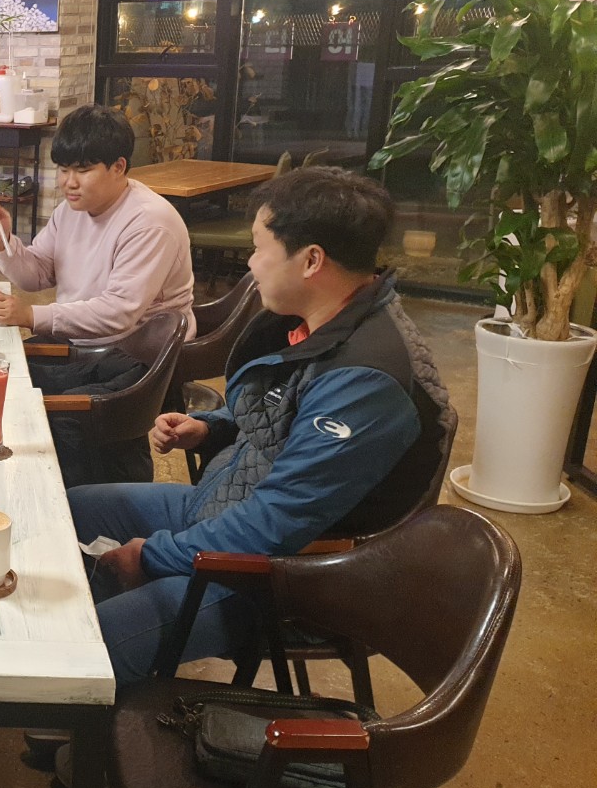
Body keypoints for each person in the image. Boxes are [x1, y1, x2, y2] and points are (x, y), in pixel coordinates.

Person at [66, 167, 453, 686]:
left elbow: (274, 525)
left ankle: (83, 707)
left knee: (87, 649)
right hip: (227, 504)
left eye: (258, 247)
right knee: (66, 508)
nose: (250, 263)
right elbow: (286, 411)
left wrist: (152, 555)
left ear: (311, 260)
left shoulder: (366, 380)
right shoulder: (323, 319)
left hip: (288, 577)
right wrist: (211, 427)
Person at [0, 104, 195, 345]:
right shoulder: (69, 211)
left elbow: (118, 312)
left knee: (8, 364)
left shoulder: (150, 222)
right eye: (63, 170)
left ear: (118, 167)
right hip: (79, 339)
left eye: (83, 171)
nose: (69, 182)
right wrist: (3, 241)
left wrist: (31, 315)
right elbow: (36, 275)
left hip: (138, 352)